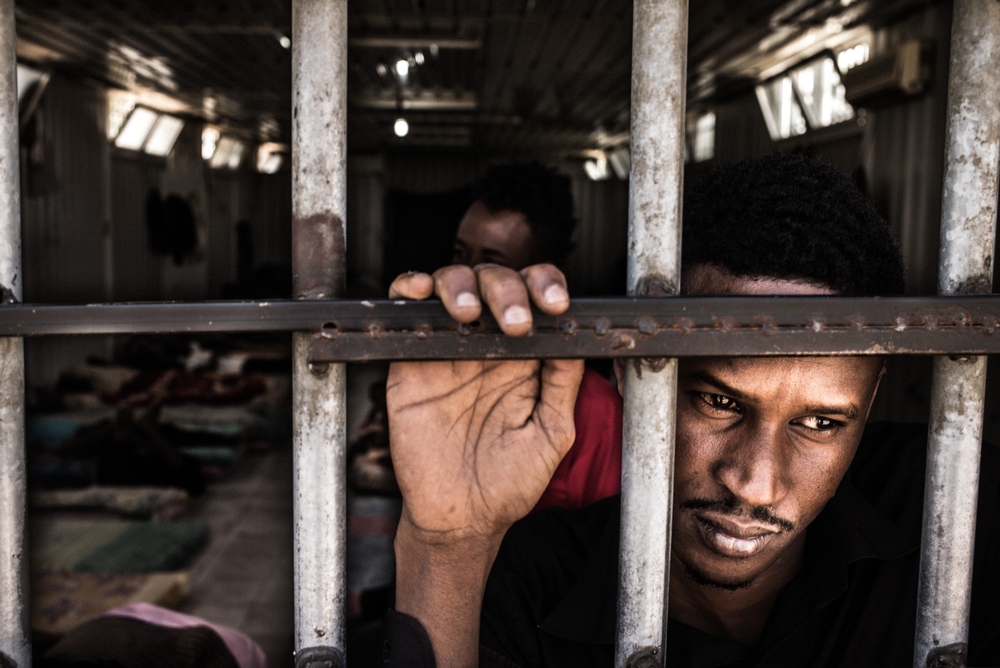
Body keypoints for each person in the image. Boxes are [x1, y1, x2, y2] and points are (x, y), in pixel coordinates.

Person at [379, 153, 1000, 667]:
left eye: (820, 423)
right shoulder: (525, 583)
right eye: (719, 401)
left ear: (872, 392)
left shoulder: (957, 516)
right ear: (630, 370)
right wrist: (446, 542)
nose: (756, 482)